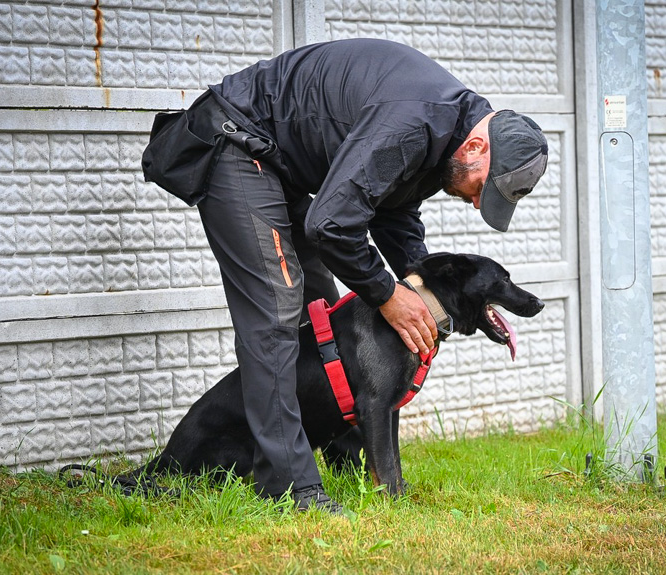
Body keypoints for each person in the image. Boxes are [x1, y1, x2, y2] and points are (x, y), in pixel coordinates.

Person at [155, 38, 548, 514]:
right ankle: (289, 488)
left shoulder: (444, 135)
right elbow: (332, 224)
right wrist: (388, 295)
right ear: (478, 146)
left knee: (322, 315)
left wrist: (416, 281)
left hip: (284, 169)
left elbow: (392, 210)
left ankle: (350, 462)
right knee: (277, 312)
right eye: (479, 190)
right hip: (238, 143)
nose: (472, 201)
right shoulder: (414, 121)